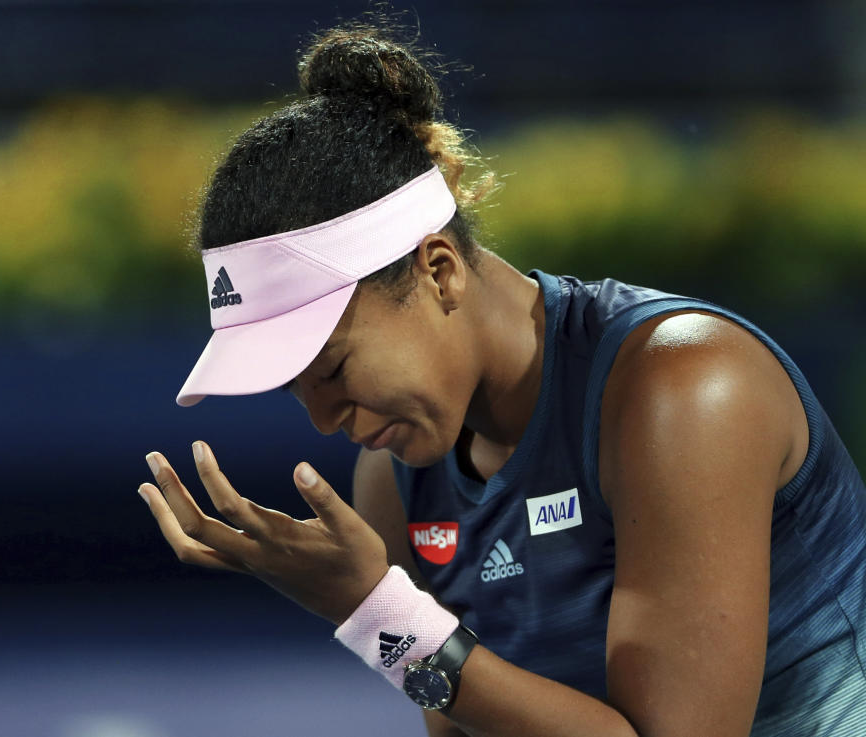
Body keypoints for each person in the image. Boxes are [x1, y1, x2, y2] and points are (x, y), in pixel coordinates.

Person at [136, 17, 866, 737]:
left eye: (332, 368)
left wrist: (377, 612)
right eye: (296, 392)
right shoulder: (395, 485)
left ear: (439, 273)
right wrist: (387, 616)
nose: (326, 419)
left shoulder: (687, 388)